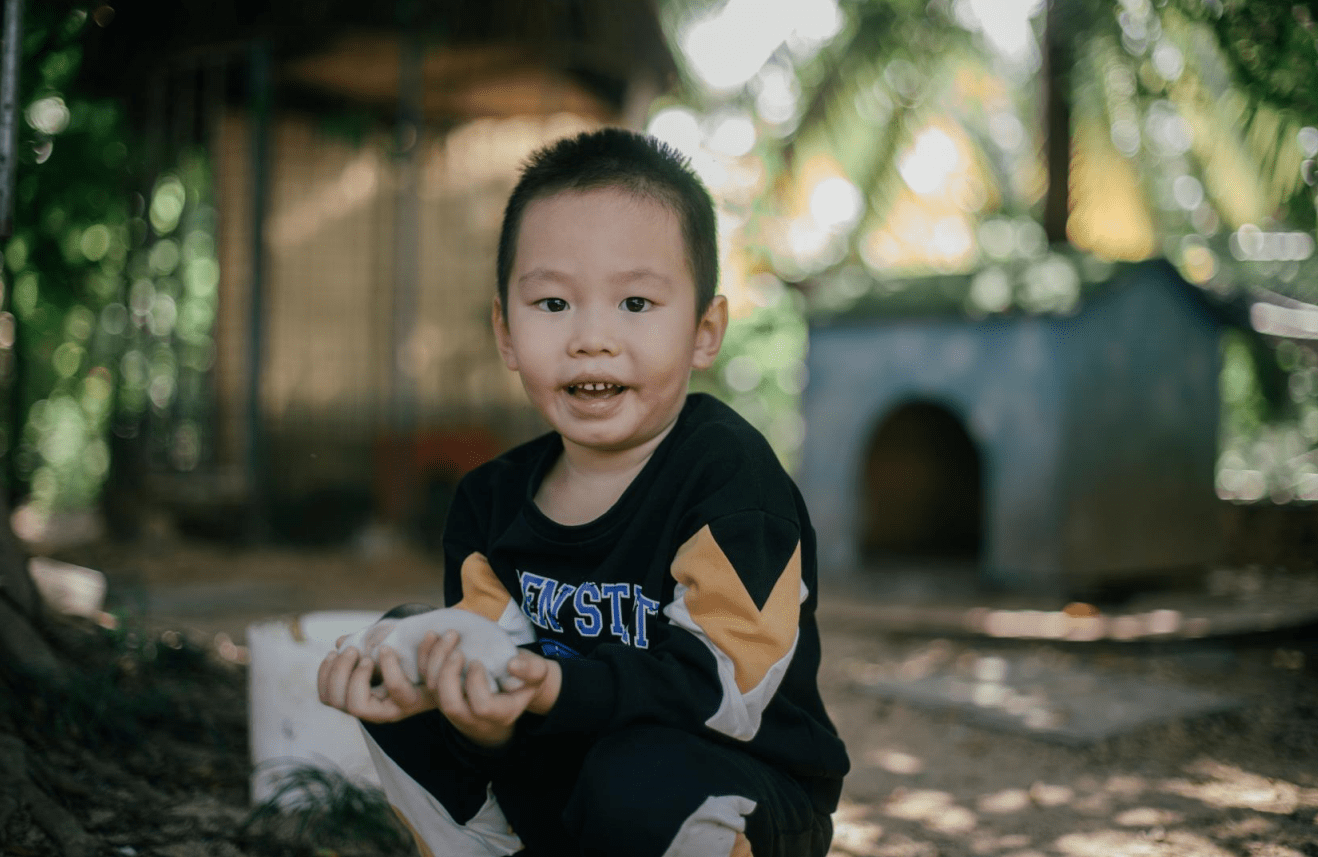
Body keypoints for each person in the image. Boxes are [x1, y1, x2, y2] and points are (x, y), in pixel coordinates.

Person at [317, 127, 849, 857]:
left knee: (639, 775)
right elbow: (494, 683)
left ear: (704, 329)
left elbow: (723, 688)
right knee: (404, 661)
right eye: (553, 304)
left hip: (733, 786)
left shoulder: (731, 482)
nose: (591, 337)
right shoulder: (490, 503)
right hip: (568, 785)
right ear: (505, 331)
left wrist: (554, 688)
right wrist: (461, 696)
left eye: (635, 303)